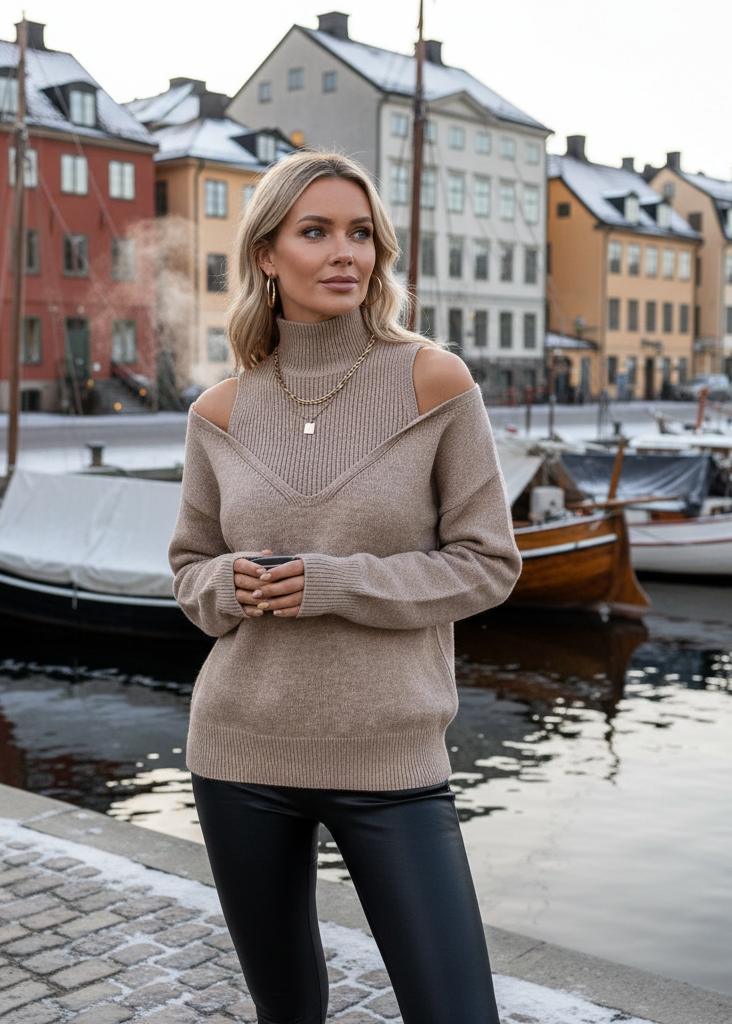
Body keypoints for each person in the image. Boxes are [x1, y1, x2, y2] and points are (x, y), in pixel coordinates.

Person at [168, 150, 521, 1024]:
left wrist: (335, 584)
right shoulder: (217, 411)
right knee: (289, 1015)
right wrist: (230, 584)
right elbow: (188, 570)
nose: (346, 254)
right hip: (239, 752)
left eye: (360, 233)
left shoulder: (434, 382)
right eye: (316, 232)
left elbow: (489, 563)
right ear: (266, 254)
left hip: (392, 756)